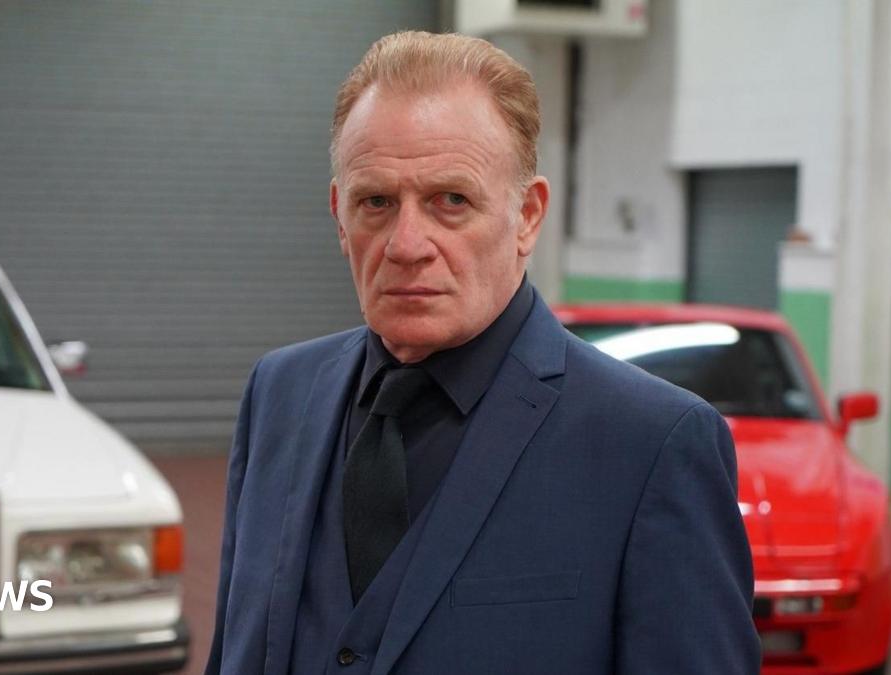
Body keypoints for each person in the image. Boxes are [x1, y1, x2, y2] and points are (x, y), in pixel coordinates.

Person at [206, 31, 759, 675]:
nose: (406, 244)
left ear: (527, 216)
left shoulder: (651, 445)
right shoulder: (278, 394)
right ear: (339, 216)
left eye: (451, 201)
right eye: (376, 202)